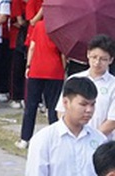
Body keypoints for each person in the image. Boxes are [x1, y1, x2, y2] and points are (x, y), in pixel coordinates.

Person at [26, 76, 106, 176]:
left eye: (92, 104)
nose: (89, 110)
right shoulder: (44, 140)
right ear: (65, 103)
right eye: (83, 104)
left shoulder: (100, 140)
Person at [17, 15, 66, 149]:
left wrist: (28, 66)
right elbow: (63, 53)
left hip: (37, 69)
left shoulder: (38, 25)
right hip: (55, 71)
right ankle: (56, 139)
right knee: (53, 107)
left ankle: (25, 138)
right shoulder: (61, 28)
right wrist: (63, 68)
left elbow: (32, 47)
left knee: (30, 106)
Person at [56, 35, 115, 138]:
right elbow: (61, 109)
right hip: (72, 138)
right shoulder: (74, 79)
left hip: (101, 142)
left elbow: (112, 120)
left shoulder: (113, 84)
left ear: (110, 60)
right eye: (94, 57)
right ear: (88, 54)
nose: (97, 62)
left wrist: (92, 137)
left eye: (103, 59)